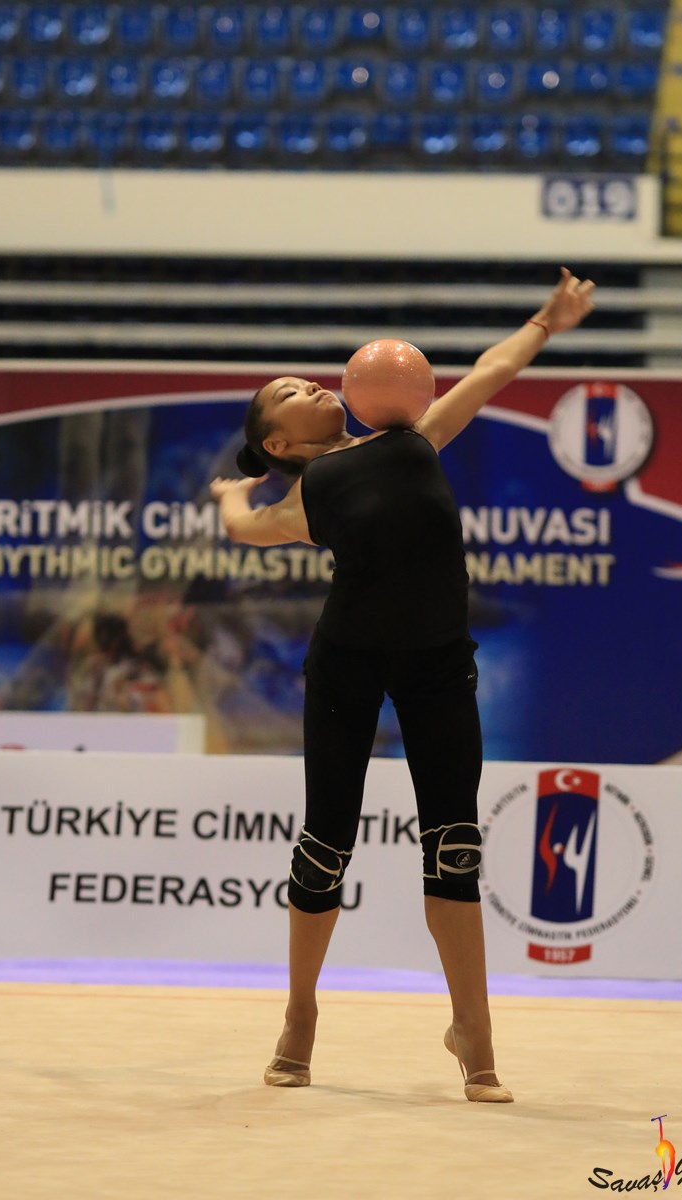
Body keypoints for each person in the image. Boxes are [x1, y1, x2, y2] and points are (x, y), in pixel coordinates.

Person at [210, 268, 596, 1103]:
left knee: (454, 847)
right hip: (347, 666)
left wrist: (547, 319)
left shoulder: (417, 436)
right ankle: (300, 1015)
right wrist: (232, 494)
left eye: (312, 381)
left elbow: (491, 371)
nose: (314, 386)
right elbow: (245, 527)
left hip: (437, 666)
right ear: (280, 443)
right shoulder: (308, 494)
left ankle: (475, 1036)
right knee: (325, 845)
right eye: (292, 393)